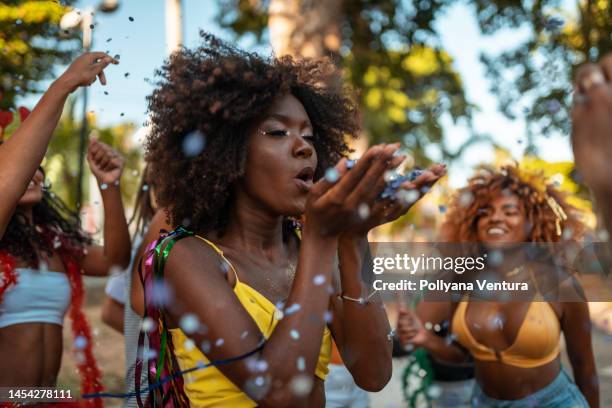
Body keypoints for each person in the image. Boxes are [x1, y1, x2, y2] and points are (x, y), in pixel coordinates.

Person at [130, 32, 446, 407]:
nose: (303, 146)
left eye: (310, 136)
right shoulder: (187, 258)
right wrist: (320, 239)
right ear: (227, 153)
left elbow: (374, 372)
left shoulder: (308, 249)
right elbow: (277, 393)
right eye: (277, 132)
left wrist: (355, 237)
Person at [401, 165, 599, 407]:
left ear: (531, 221)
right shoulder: (463, 281)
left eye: (510, 211)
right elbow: (462, 356)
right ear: (474, 221)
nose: (496, 217)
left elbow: (585, 366)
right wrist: (426, 339)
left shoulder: (559, 283)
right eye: (486, 212)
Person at [0, 53, 130, 405]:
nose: (30, 172)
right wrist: (64, 85)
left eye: (35, 165)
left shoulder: (52, 243)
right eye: (18, 164)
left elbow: (115, 263)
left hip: (47, 398)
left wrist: (109, 186)